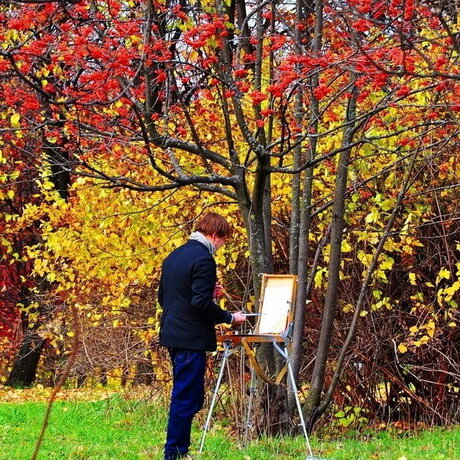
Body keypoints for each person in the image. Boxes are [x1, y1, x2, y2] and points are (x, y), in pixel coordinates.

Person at [158, 212, 246, 460]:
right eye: (223, 240)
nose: (221, 247)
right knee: (187, 396)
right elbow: (198, 303)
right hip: (189, 337)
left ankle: (177, 449)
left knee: (189, 395)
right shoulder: (204, 260)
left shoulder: (174, 256)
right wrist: (229, 317)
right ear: (216, 235)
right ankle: (175, 452)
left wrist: (209, 295)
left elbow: (164, 298)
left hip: (172, 333)